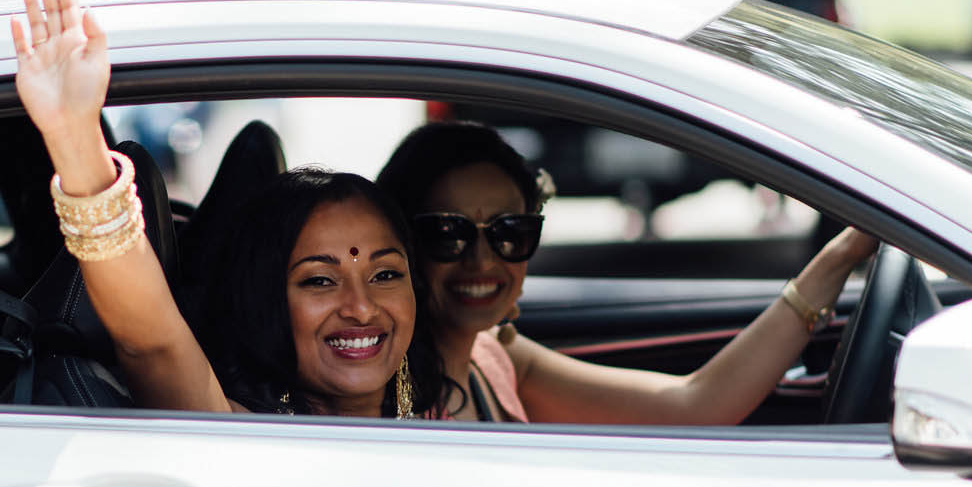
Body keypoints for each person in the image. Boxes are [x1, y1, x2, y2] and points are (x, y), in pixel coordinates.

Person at [10, 0, 443, 417]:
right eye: (319, 280)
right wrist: (74, 136)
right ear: (267, 302)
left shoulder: (445, 408)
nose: (361, 308)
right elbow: (152, 342)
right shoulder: (239, 435)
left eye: (386, 275)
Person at [375, 120, 878, 424]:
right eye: (448, 232)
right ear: (398, 245)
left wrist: (843, 255)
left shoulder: (495, 359)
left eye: (511, 231)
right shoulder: (378, 395)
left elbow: (694, 406)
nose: (482, 261)